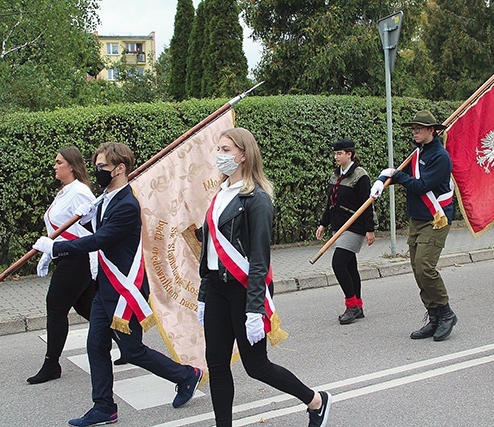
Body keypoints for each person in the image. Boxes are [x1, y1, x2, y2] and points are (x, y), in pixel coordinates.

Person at [33, 142, 202, 427]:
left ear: (120, 168)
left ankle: (187, 375)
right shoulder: (105, 198)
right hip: (106, 287)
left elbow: (101, 240)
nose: (98, 172)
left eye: (102, 168)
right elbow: (95, 231)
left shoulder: (127, 204)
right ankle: (104, 408)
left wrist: (57, 248)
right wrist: (87, 218)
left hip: (126, 289)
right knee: (96, 345)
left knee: (132, 350)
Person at [197, 128, 332, 427]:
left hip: (244, 291)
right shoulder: (219, 195)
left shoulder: (256, 199)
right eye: (218, 149)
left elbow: (259, 260)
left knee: (256, 366)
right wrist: (203, 295)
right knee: (217, 366)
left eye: (227, 150)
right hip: (217, 290)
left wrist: (255, 309)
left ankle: (316, 401)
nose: (220, 155)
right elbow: (209, 252)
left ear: (243, 155)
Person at [370, 110, 457, 342]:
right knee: (417, 269)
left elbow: (420, 185)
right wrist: (381, 181)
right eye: (413, 128)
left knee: (425, 266)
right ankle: (434, 316)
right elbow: (400, 173)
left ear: (432, 130)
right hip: (417, 218)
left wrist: (396, 177)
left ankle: (446, 312)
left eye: (419, 128)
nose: (415, 131)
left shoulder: (440, 157)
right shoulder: (416, 153)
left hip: (436, 217)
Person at [27, 147, 97, 385]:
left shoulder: (79, 192)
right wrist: (48, 252)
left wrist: (88, 213)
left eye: (59, 162)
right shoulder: (65, 191)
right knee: (87, 308)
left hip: (76, 259)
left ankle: (51, 364)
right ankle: (127, 341)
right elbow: (59, 228)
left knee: (55, 307)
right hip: (64, 256)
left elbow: (92, 223)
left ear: (72, 166)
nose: (55, 166)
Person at [316, 138, 375, 325]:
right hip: (338, 226)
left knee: (338, 264)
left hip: (354, 227)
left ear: (349, 154)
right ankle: (358, 305)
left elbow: (367, 204)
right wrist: (323, 224)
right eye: (335, 154)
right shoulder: (335, 175)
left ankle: (351, 305)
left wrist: (370, 229)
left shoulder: (360, 175)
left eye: (339, 153)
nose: (336, 157)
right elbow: (330, 203)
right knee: (350, 267)